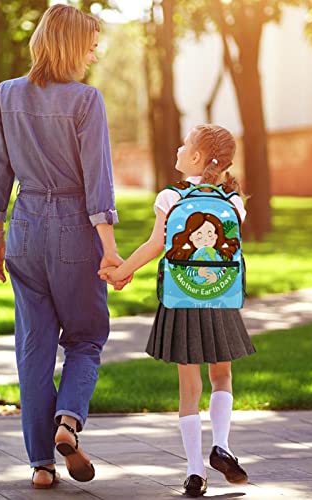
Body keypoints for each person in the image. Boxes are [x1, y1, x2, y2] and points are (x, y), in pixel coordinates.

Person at [0, 4, 130, 490]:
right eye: (89, 44)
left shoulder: (6, 94)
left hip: (23, 228)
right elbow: (97, 182)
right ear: (68, 45)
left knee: (34, 348)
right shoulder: (87, 101)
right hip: (73, 230)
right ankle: (68, 422)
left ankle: (41, 464)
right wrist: (109, 249)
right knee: (86, 338)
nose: (93, 52)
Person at [99, 124, 256, 497]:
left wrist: (121, 272)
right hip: (220, 299)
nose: (178, 148)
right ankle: (223, 445)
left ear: (197, 157)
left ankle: (194, 471)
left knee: (189, 388)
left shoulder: (170, 197)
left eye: (184, 144)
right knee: (222, 377)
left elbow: (156, 244)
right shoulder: (233, 201)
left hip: (181, 299)